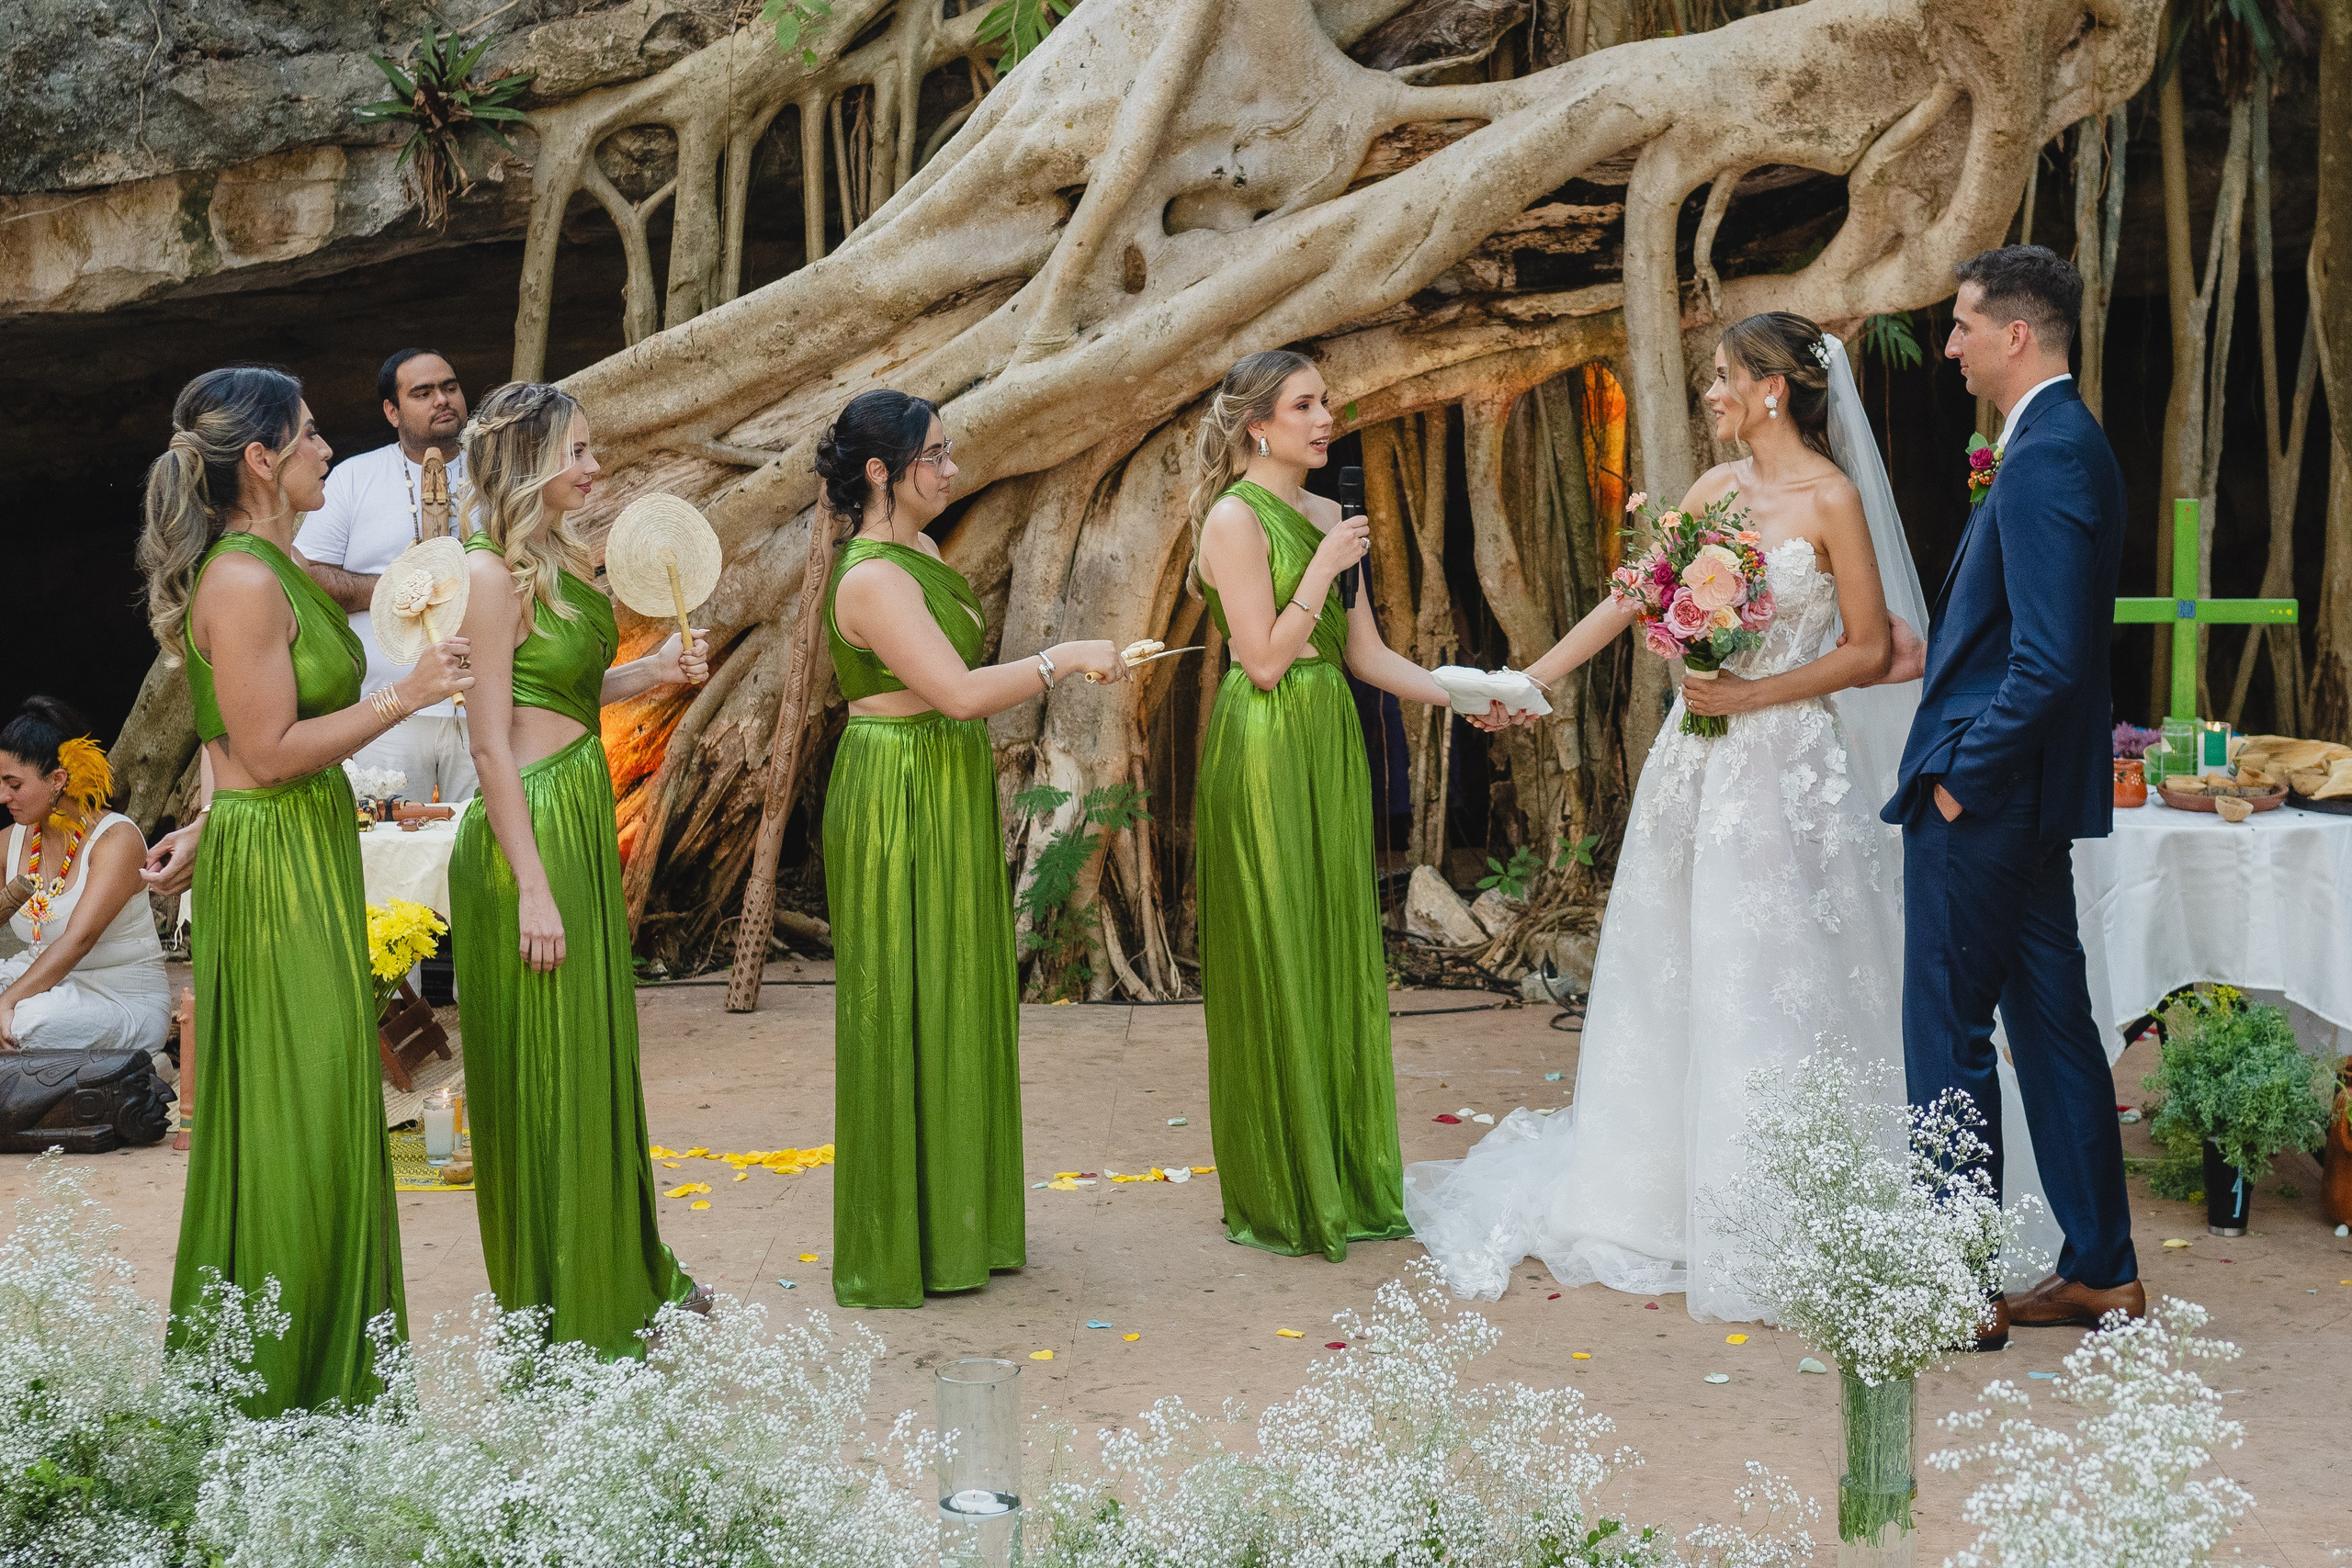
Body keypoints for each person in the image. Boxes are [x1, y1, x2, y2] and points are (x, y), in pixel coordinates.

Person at [1403, 313, 1931, 1322]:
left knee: (1777, 971)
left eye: (1725, 377)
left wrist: (1754, 695)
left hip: (1787, 770)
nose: (1712, 394)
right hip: (1696, 769)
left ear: (1775, 388)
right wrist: (1528, 680)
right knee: (1677, 963)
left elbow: (1868, 649)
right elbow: (1632, 599)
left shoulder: (1830, 500)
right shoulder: (1710, 493)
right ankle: (1657, 1190)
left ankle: (1780, 1204)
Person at [136, 365, 471, 1413]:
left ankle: (324, 1365)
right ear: (265, 461)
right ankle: (281, 1384)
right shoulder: (240, 581)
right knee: (298, 1110)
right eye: (314, 434)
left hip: (292, 845)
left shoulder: (268, 568)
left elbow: (228, 740)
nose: (330, 449)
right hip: (278, 864)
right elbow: (271, 749)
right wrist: (406, 696)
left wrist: (201, 820)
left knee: (326, 1106)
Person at [813, 389, 1125, 1308]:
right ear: (881, 470)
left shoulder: (919, 549)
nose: (952, 470)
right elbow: (950, 691)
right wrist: (1062, 657)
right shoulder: (870, 573)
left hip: (942, 778)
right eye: (935, 455)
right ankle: (900, 1237)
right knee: (905, 996)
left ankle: (958, 1222)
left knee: (957, 989)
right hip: (895, 788)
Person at [1886, 245, 2139, 1333]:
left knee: (1946, 1034)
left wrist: (1957, 781)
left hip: (1987, 803)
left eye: (1961, 325)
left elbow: (2048, 659)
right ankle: (2102, 1269)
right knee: (2050, 1028)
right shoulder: (2054, 443)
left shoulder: (2045, 459)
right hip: (2026, 807)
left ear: (2016, 336)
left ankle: (1955, 1283)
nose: (1948, 345)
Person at [447, 380, 711, 1354]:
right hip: (528, 826)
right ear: (528, 464)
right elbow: (486, 744)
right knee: (548, 1064)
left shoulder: (555, 561)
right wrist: (533, 888)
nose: (596, 469)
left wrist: (652, 674)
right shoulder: (486, 576)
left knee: (593, 1055)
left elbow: (557, 687)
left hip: (573, 806)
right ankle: (565, 1302)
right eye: (580, 452)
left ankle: (618, 1269)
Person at [1191, 350, 1454, 1262]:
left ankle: (1344, 1172)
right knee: (1279, 947)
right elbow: (1260, 659)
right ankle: (1282, 1185)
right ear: (1257, 424)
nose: (1324, 415)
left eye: (1325, 401)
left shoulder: (1328, 514)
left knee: (1336, 944)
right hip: (1264, 743)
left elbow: (1365, 655)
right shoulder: (1234, 518)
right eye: (1304, 404)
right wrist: (1324, 568)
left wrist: (1462, 692)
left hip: (1328, 736)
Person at [295, 348, 479, 805]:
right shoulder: (352, 478)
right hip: (387, 708)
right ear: (391, 411)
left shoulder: (497, 470)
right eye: (423, 392)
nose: (442, 399)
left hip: (485, 701)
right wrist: (400, 590)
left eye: (450, 387)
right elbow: (307, 573)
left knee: (487, 844)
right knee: (386, 844)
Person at [0, 700, 171, 1057]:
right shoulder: (12, 840)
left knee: (23, 1024)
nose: (4, 797)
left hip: (117, 1000)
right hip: (38, 983)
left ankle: (138, 1070)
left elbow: (79, 938)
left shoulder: (115, 840)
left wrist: (7, 1002)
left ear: (57, 780)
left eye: (14, 784)